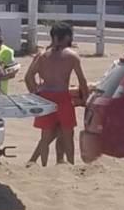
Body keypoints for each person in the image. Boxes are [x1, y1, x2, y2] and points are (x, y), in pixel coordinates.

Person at [25, 22, 89, 166]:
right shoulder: (72, 55)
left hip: (45, 95)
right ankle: (71, 164)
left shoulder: (42, 55)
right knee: (67, 134)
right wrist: (85, 98)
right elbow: (82, 80)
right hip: (62, 96)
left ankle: (43, 165)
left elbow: (29, 77)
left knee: (45, 135)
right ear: (66, 37)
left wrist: (35, 93)